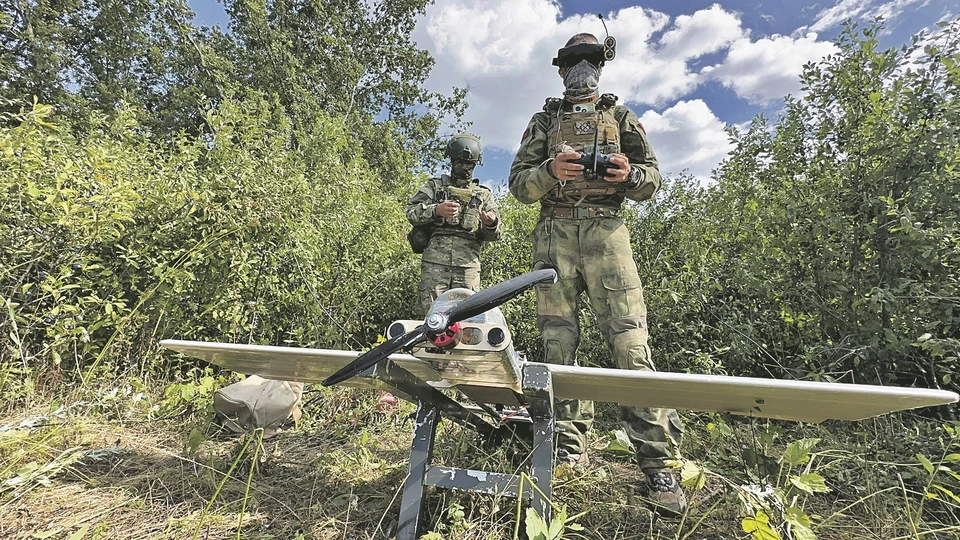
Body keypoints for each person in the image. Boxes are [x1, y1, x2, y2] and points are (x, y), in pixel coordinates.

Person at [508, 32, 686, 514]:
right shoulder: (544, 120)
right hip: (554, 237)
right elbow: (518, 186)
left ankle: (657, 463)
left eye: (589, 60)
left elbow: (652, 180)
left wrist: (627, 175)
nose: (580, 68)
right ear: (560, 68)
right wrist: (550, 171)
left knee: (630, 342)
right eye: (572, 61)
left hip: (609, 234)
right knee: (557, 344)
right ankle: (564, 447)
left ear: (600, 67)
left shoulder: (621, 116)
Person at [406, 133, 503, 314]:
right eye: (458, 162)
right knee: (430, 314)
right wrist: (436, 210)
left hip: (468, 266)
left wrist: (490, 223)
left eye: (468, 163)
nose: (463, 167)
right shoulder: (434, 187)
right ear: (451, 161)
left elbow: (497, 234)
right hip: (435, 263)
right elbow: (411, 212)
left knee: (468, 315)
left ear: (475, 164)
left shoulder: (483, 195)